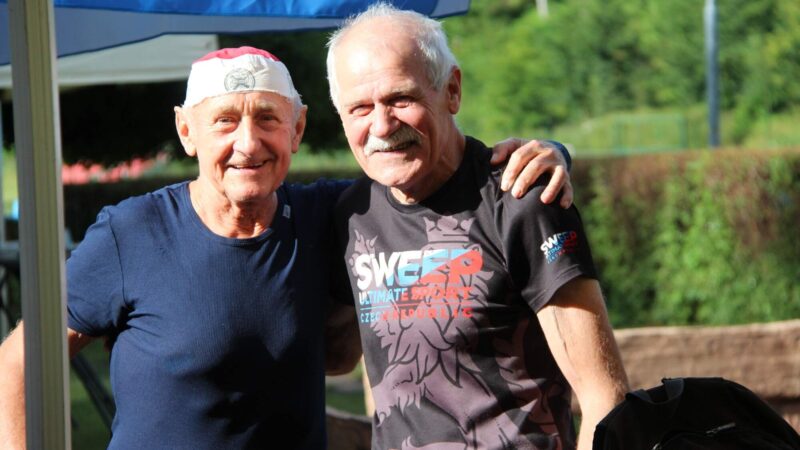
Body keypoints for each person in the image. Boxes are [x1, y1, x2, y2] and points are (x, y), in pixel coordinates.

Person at [0, 46, 571, 448]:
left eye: (267, 120)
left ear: (296, 131)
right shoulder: (131, 232)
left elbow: (432, 175)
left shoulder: (334, 216)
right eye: (224, 121)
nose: (247, 143)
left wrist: (550, 152)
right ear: (186, 131)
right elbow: (20, 362)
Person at [328, 4, 630, 450]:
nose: (381, 125)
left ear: (451, 90)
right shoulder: (350, 215)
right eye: (359, 108)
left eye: (400, 99)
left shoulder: (522, 201)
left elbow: (606, 398)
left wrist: (557, 153)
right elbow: (336, 357)